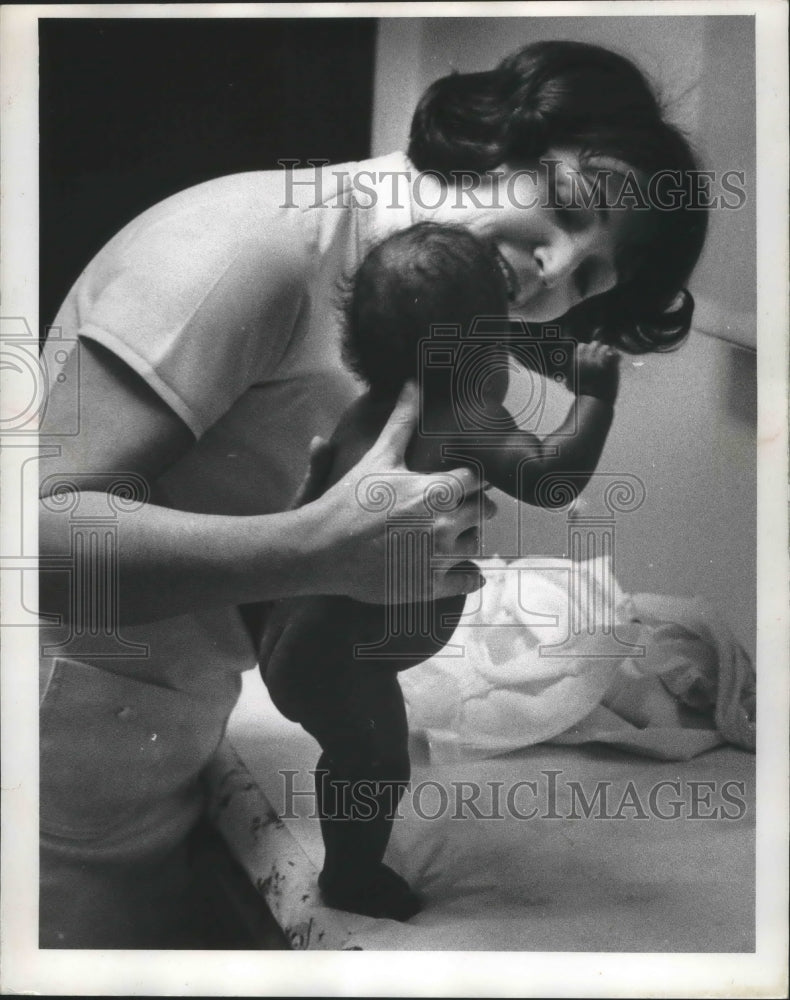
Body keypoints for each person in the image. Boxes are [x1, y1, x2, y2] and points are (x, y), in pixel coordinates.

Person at [38, 40, 708, 947]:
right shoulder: (252, 248)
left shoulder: (436, 326)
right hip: (49, 761)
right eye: (562, 206)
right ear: (492, 140)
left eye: (590, 275)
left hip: (159, 746)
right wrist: (318, 550)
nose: (554, 269)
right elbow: (28, 541)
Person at [258, 221, 622, 921]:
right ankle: (351, 877)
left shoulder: (374, 406)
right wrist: (596, 397)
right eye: (500, 329)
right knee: (373, 763)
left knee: (356, 750)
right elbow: (549, 479)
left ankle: (352, 854)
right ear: (478, 346)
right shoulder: (464, 411)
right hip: (341, 658)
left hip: (293, 633)